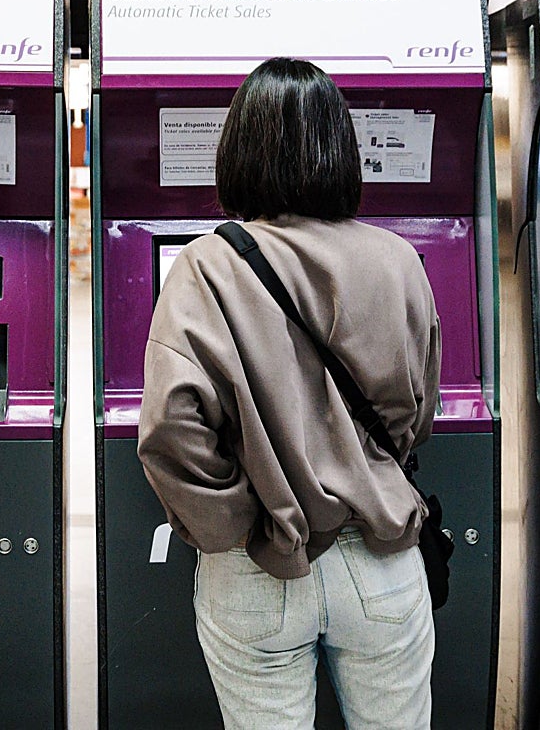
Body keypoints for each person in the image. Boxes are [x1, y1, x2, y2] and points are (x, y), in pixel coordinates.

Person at [137, 57, 441, 729]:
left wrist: (235, 525)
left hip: (260, 567)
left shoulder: (205, 266)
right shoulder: (397, 260)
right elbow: (419, 414)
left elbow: (169, 426)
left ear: (238, 150)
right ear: (342, 149)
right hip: (381, 555)